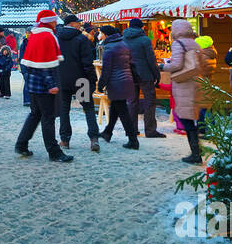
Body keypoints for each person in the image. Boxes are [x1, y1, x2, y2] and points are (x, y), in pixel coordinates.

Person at [14, 9, 73, 162]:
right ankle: (54, 152)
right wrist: (51, 84)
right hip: (44, 85)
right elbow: (46, 63)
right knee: (48, 118)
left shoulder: (35, 35)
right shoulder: (47, 36)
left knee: (35, 115)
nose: (55, 23)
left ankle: (21, 144)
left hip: (33, 84)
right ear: (49, 21)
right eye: (54, 20)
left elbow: (33, 61)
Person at [56, 14, 101, 152]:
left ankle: (65, 140)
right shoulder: (81, 39)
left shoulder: (57, 39)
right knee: (88, 109)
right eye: (77, 23)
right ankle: (94, 139)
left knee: (64, 110)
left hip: (62, 79)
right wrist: (92, 79)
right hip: (80, 80)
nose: (80, 25)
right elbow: (87, 63)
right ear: (72, 24)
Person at [165, 19, 207, 164]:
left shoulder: (178, 43)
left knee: (186, 117)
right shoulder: (195, 43)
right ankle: (197, 151)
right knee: (191, 115)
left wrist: (164, 66)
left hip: (184, 83)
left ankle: (195, 153)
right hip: (195, 82)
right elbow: (203, 63)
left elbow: (177, 64)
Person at [96, 25, 139, 149]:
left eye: (101, 33)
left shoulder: (109, 48)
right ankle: (107, 132)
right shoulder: (123, 44)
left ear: (106, 35)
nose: (100, 36)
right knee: (115, 107)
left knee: (123, 111)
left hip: (116, 82)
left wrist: (101, 84)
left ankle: (133, 140)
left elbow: (106, 69)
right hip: (126, 80)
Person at [123, 18, 165, 139]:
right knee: (150, 101)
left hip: (129, 73)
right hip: (144, 74)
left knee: (131, 102)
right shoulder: (145, 40)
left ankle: (132, 130)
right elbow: (151, 59)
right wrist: (157, 74)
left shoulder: (123, 39)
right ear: (141, 27)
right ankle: (150, 130)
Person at [194, 35, 219, 135]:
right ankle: (202, 129)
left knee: (205, 109)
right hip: (206, 83)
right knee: (204, 108)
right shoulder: (209, 55)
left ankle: (208, 130)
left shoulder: (203, 56)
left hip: (202, 85)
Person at [0, 28, 13, 99]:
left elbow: (10, 63)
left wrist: (7, 68)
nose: (3, 33)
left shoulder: (8, 57)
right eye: (2, 32)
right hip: (0, 70)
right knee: (1, 82)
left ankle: (7, 93)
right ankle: (2, 92)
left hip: (6, 71)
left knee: (6, 82)